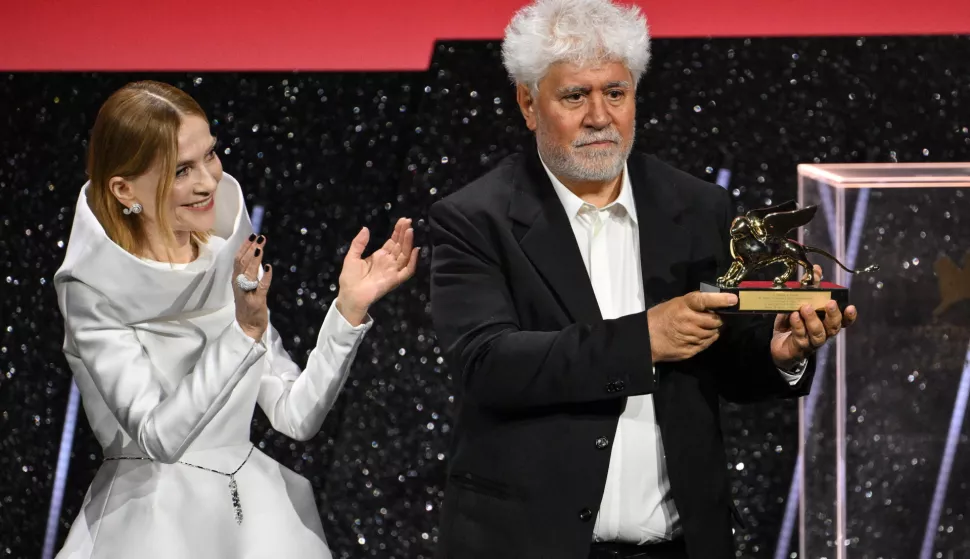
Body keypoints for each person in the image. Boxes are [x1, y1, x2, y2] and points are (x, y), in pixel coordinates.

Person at [428, 0, 860, 557]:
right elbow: (486, 365)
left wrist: (779, 352)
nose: (600, 116)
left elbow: (725, 360)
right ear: (528, 103)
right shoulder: (473, 219)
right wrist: (642, 341)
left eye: (616, 92)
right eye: (575, 96)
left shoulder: (700, 207)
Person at [53, 80, 418, 558]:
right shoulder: (94, 289)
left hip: (253, 517)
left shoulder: (228, 256)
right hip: (150, 525)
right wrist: (242, 332)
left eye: (210, 155)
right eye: (182, 170)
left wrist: (348, 310)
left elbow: (297, 415)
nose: (208, 181)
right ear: (124, 189)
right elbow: (157, 438)